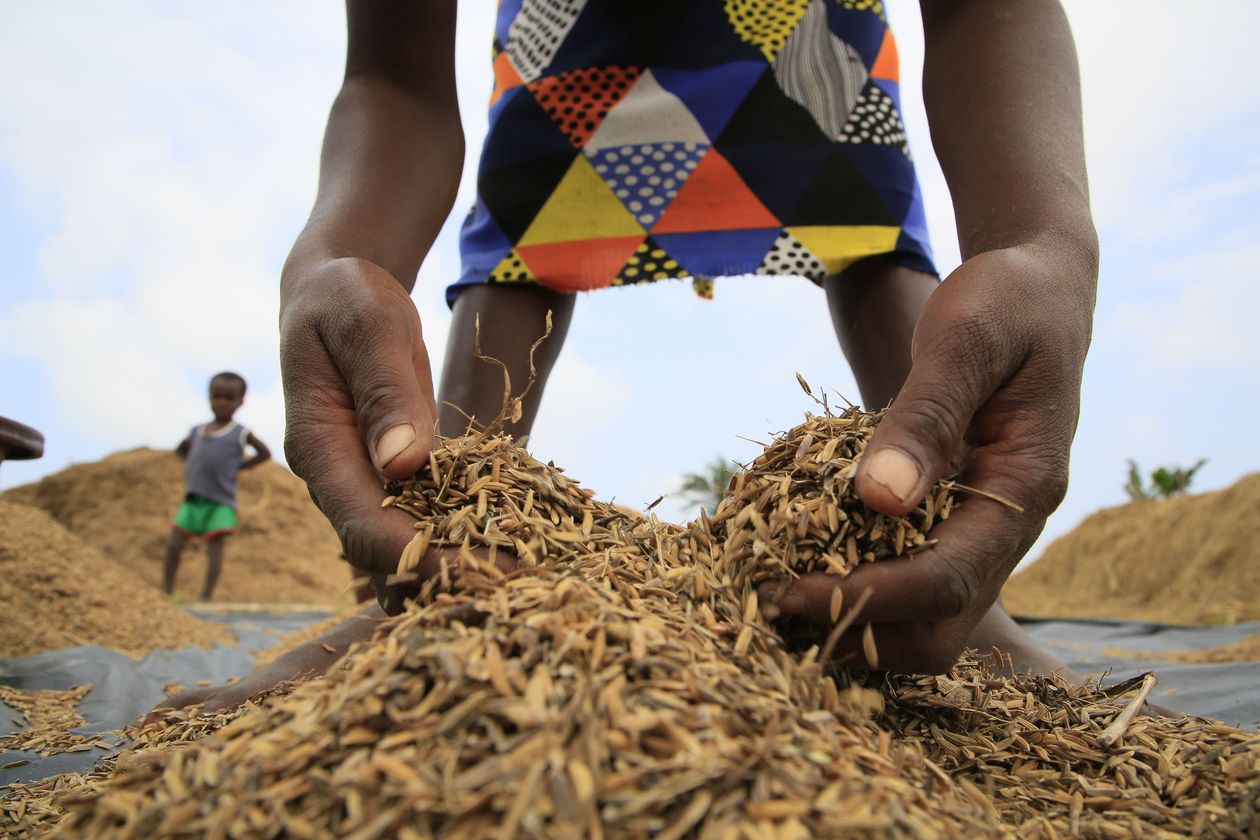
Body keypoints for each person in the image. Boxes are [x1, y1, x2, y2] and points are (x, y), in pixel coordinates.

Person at [160, 0, 1094, 715]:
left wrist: (1047, 248)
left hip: (803, 30)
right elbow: (393, 79)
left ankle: (949, 568)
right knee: (528, 218)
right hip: (572, 27)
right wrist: (329, 263)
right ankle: (443, 562)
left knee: (866, 214)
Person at [162, 372, 271, 602]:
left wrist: (240, 467)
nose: (221, 402)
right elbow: (180, 450)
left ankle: (206, 596)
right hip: (193, 500)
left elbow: (265, 453)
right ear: (209, 398)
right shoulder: (197, 431)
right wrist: (191, 465)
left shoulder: (240, 433)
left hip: (222, 503)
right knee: (174, 544)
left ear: (240, 402)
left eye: (228, 398)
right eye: (216, 396)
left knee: (215, 549)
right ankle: (166, 591)